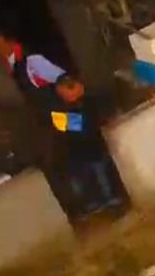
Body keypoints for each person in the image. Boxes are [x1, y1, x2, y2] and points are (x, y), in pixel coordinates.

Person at [49, 77, 122, 215]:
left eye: (68, 89)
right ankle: (97, 202)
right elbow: (72, 128)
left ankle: (110, 200)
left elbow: (86, 126)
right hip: (79, 152)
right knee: (88, 179)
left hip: (93, 148)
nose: (65, 95)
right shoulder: (62, 109)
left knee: (101, 176)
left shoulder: (88, 102)